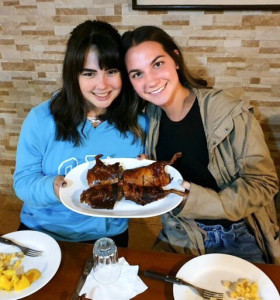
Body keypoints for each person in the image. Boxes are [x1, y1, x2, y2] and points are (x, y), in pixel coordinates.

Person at [122, 25, 280, 263]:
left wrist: (194, 199)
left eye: (157, 64)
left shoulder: (227, 111)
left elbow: (264, 184)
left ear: (175, 59)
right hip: (180, 234)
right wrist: (152, 171)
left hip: (237, 235)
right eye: (137, 74)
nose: (150, 80)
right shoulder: (150, 118)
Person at [13, 20, 148, 247]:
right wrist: (52, 187)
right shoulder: (41, 119)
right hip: (41, 233)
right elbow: (23, 183)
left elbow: (141, 191)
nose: (102, 85)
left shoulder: (140, 125)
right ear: (73, 75)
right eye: (89, 73)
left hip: (107, 237)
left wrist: (142, 176)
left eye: (111, 71)